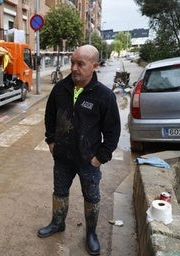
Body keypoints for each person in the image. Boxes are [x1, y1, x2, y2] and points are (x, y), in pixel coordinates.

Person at [37, 45, 121, 255]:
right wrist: (51, 141)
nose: (74, 68)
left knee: (91, 197)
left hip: (88, 160)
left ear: (94, 66)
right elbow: (50, 117)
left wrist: (99, 158)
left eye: (80, 64)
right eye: (72, 62)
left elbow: (112, 132)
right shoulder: (60, 89)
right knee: (59, 192)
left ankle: (91, 233)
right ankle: (58, 223)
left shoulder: (104, 96)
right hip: (63, 157)